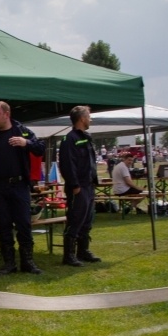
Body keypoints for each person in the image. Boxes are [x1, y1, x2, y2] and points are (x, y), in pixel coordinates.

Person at [0, 101, 45, 275]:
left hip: (19, 185)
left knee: (24, 224)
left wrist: (26, 143)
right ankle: (9, 263)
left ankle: (28, 262)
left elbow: (40, 148)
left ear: (7, 114)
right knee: (3, 225)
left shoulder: (22, 131)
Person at [59, 105, 101, 267]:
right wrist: (75, 185)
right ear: (82, 118)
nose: (90, 119)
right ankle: (68, 255)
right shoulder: (70, 139)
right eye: (88, 116)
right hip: (79, 187)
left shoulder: (85, 137)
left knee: (87, 220)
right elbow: (67, 164)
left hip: (89, 186)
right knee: (75, 220)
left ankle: (83, 251)